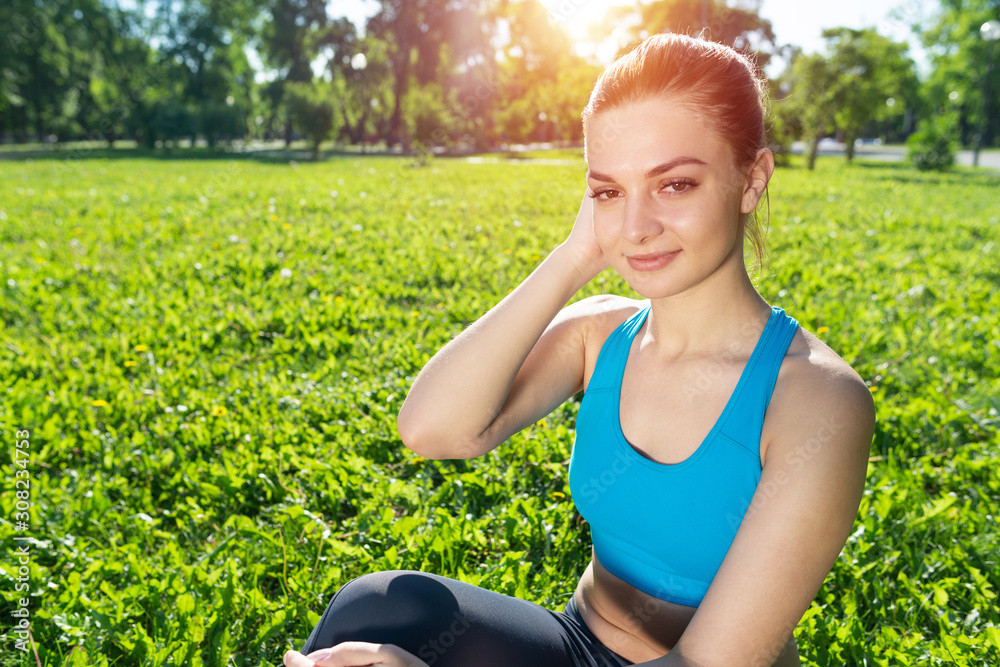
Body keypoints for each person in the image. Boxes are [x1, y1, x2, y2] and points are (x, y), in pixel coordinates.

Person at [283, 32, 875, 667]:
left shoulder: (818, 400)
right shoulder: (600, 334)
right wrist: (572, 260)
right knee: (376, 612)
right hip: (579, 645)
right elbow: (434, 430)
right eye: (609, 192)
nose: (636, 228)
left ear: (750, 181)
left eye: (675, 185)